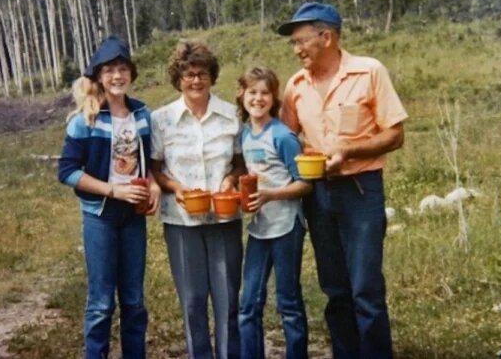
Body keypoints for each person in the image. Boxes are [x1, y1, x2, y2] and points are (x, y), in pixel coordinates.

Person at [277, 2, 408, 359]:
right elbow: (286, 139)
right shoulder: (295, 85)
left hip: (361, 189)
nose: (297, 49)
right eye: (293, 43)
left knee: (365, 288)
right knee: (334, 288)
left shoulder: (369, 72)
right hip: (317, 193)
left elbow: (395, 135)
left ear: (328, 36)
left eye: (302, 41)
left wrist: (348, 152)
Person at [58, 35, 161, 359]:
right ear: (99, 77)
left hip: (133, 216)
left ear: (131, 73)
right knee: (102, 303)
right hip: (100, 216)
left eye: (123, 69)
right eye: (109, 70)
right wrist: (112, 189)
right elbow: (68, 171)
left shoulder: (143, 114)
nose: (117, 76)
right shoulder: (84, 120)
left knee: (133, 301)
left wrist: (154, 184)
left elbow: (151, 161)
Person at [150, 40, 245, 359]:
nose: (195, 80)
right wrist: (175, 187)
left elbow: (241, 163)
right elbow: (156, 169)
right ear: (178, 78)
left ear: (212, 76)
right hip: (182, 221)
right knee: (192, 300)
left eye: (202, 73)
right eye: (188, 74)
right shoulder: (161, 119)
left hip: (224, 217)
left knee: (228, 298)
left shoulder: (231, 115)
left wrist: (230, 180)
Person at [235, 66, 311, 359]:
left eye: (265, 92)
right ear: (242, 95)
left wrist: (269, 195)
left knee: (288, 301)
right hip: (259, 226)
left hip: (286, 226)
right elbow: (246, 170)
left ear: (274, 97)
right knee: (249, 302)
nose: (258, 98)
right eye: (252, 92)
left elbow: (305, 184)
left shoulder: (282, 136)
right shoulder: (244, 134)